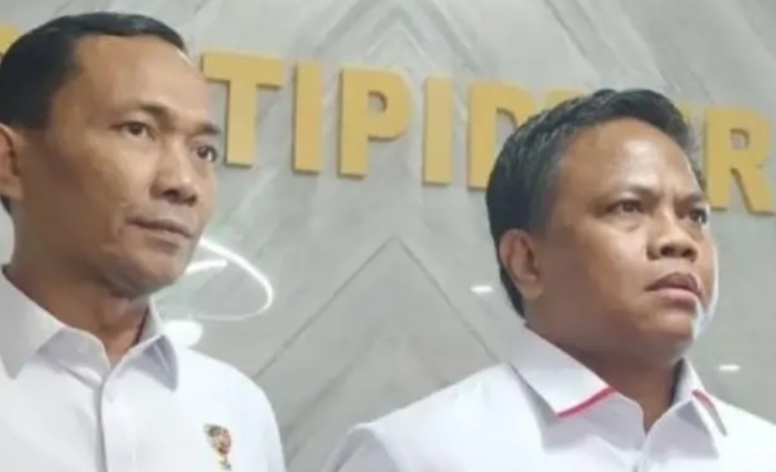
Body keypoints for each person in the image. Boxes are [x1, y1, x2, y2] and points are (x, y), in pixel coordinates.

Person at [321, 89, 776, 471]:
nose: (678, 239)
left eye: (695, 215)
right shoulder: (415, 454)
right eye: (628, 207)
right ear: (527, 262)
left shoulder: (760, 453)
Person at [0, 13, 284, 472]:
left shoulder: (236, 410)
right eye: (137, 130)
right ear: (11, 162)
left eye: (203, 151)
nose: (183, 183)